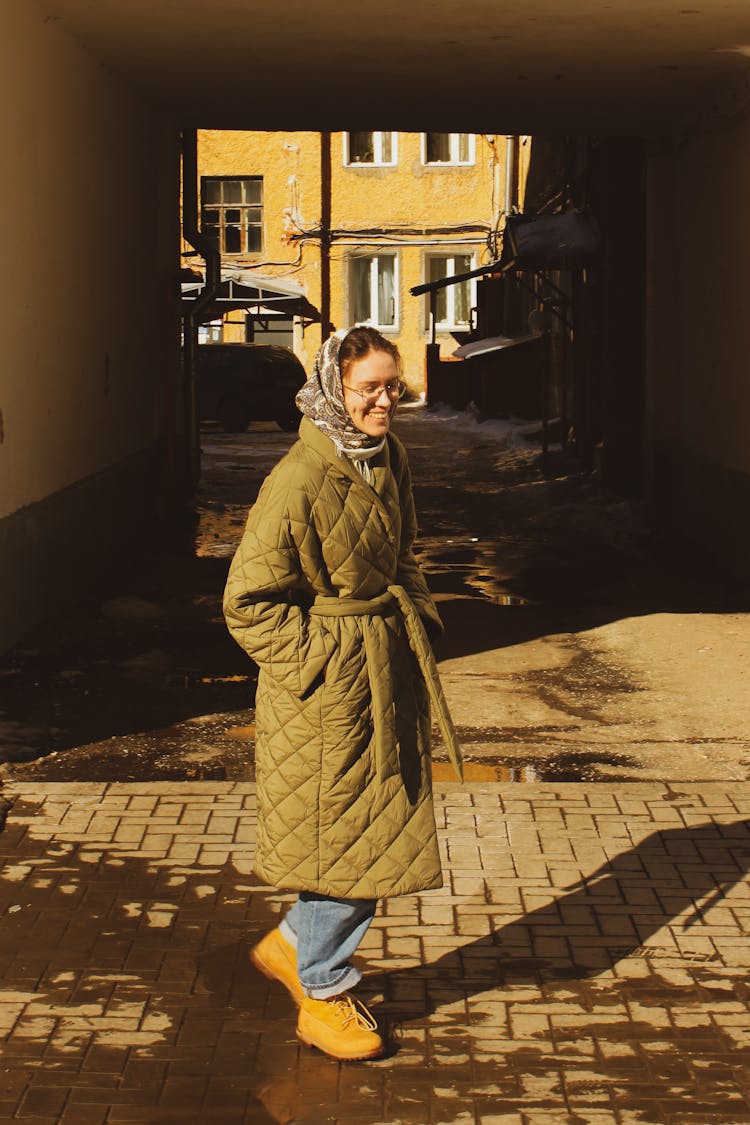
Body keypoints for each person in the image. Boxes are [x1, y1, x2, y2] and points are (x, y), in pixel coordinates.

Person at [223, 325, 462, 1061]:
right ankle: (320, 986)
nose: (385, 401)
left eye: (393, 386)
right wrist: (322, 659)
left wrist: (418, 610)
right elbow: (247, 600)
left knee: (373, 834)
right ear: (335, 389)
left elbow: (404, 549)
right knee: (354, 848)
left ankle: (297, 943)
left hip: (382, 672)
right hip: (328, 693)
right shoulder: (299, 478)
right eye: (370, 388)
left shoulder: (388, 457)